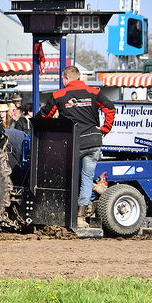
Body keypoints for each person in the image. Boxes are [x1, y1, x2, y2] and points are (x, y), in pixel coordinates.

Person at [38, 65, 115, 228]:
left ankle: (61, 212)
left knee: (65, 176)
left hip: (73, 142)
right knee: (86, 179)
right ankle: (80, 218)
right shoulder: (94, 92)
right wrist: (105, 129)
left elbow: (45, 116)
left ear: (66, 78)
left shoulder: (59, 95)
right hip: (94, 141)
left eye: (62, 78)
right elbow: (110, 108)